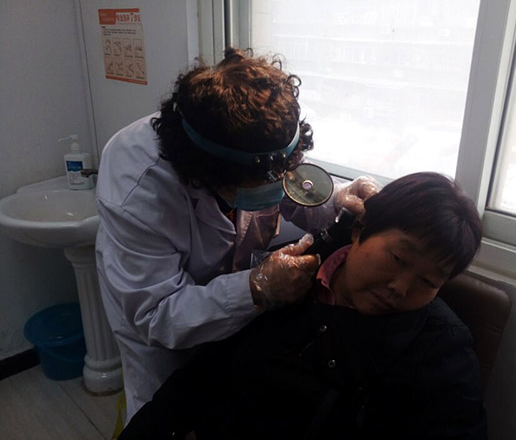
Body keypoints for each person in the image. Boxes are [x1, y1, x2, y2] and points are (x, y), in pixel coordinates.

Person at [95, 47, 379, 423]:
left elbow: (289, 187)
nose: (280, 189)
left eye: (285, 174)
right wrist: (255, 289)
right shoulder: (138, 188)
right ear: (206, 175)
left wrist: (337, 198)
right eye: (262, 185)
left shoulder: (258, 141)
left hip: (229, 296)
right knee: (163, 408)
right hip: (157, 308)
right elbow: (158, 315)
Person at [118, 172, 487, 439]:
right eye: (398, 259)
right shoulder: (288, 278)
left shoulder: (443, 348)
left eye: (429, 282)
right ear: (361, 229)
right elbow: (204, 376)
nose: (400, 288)